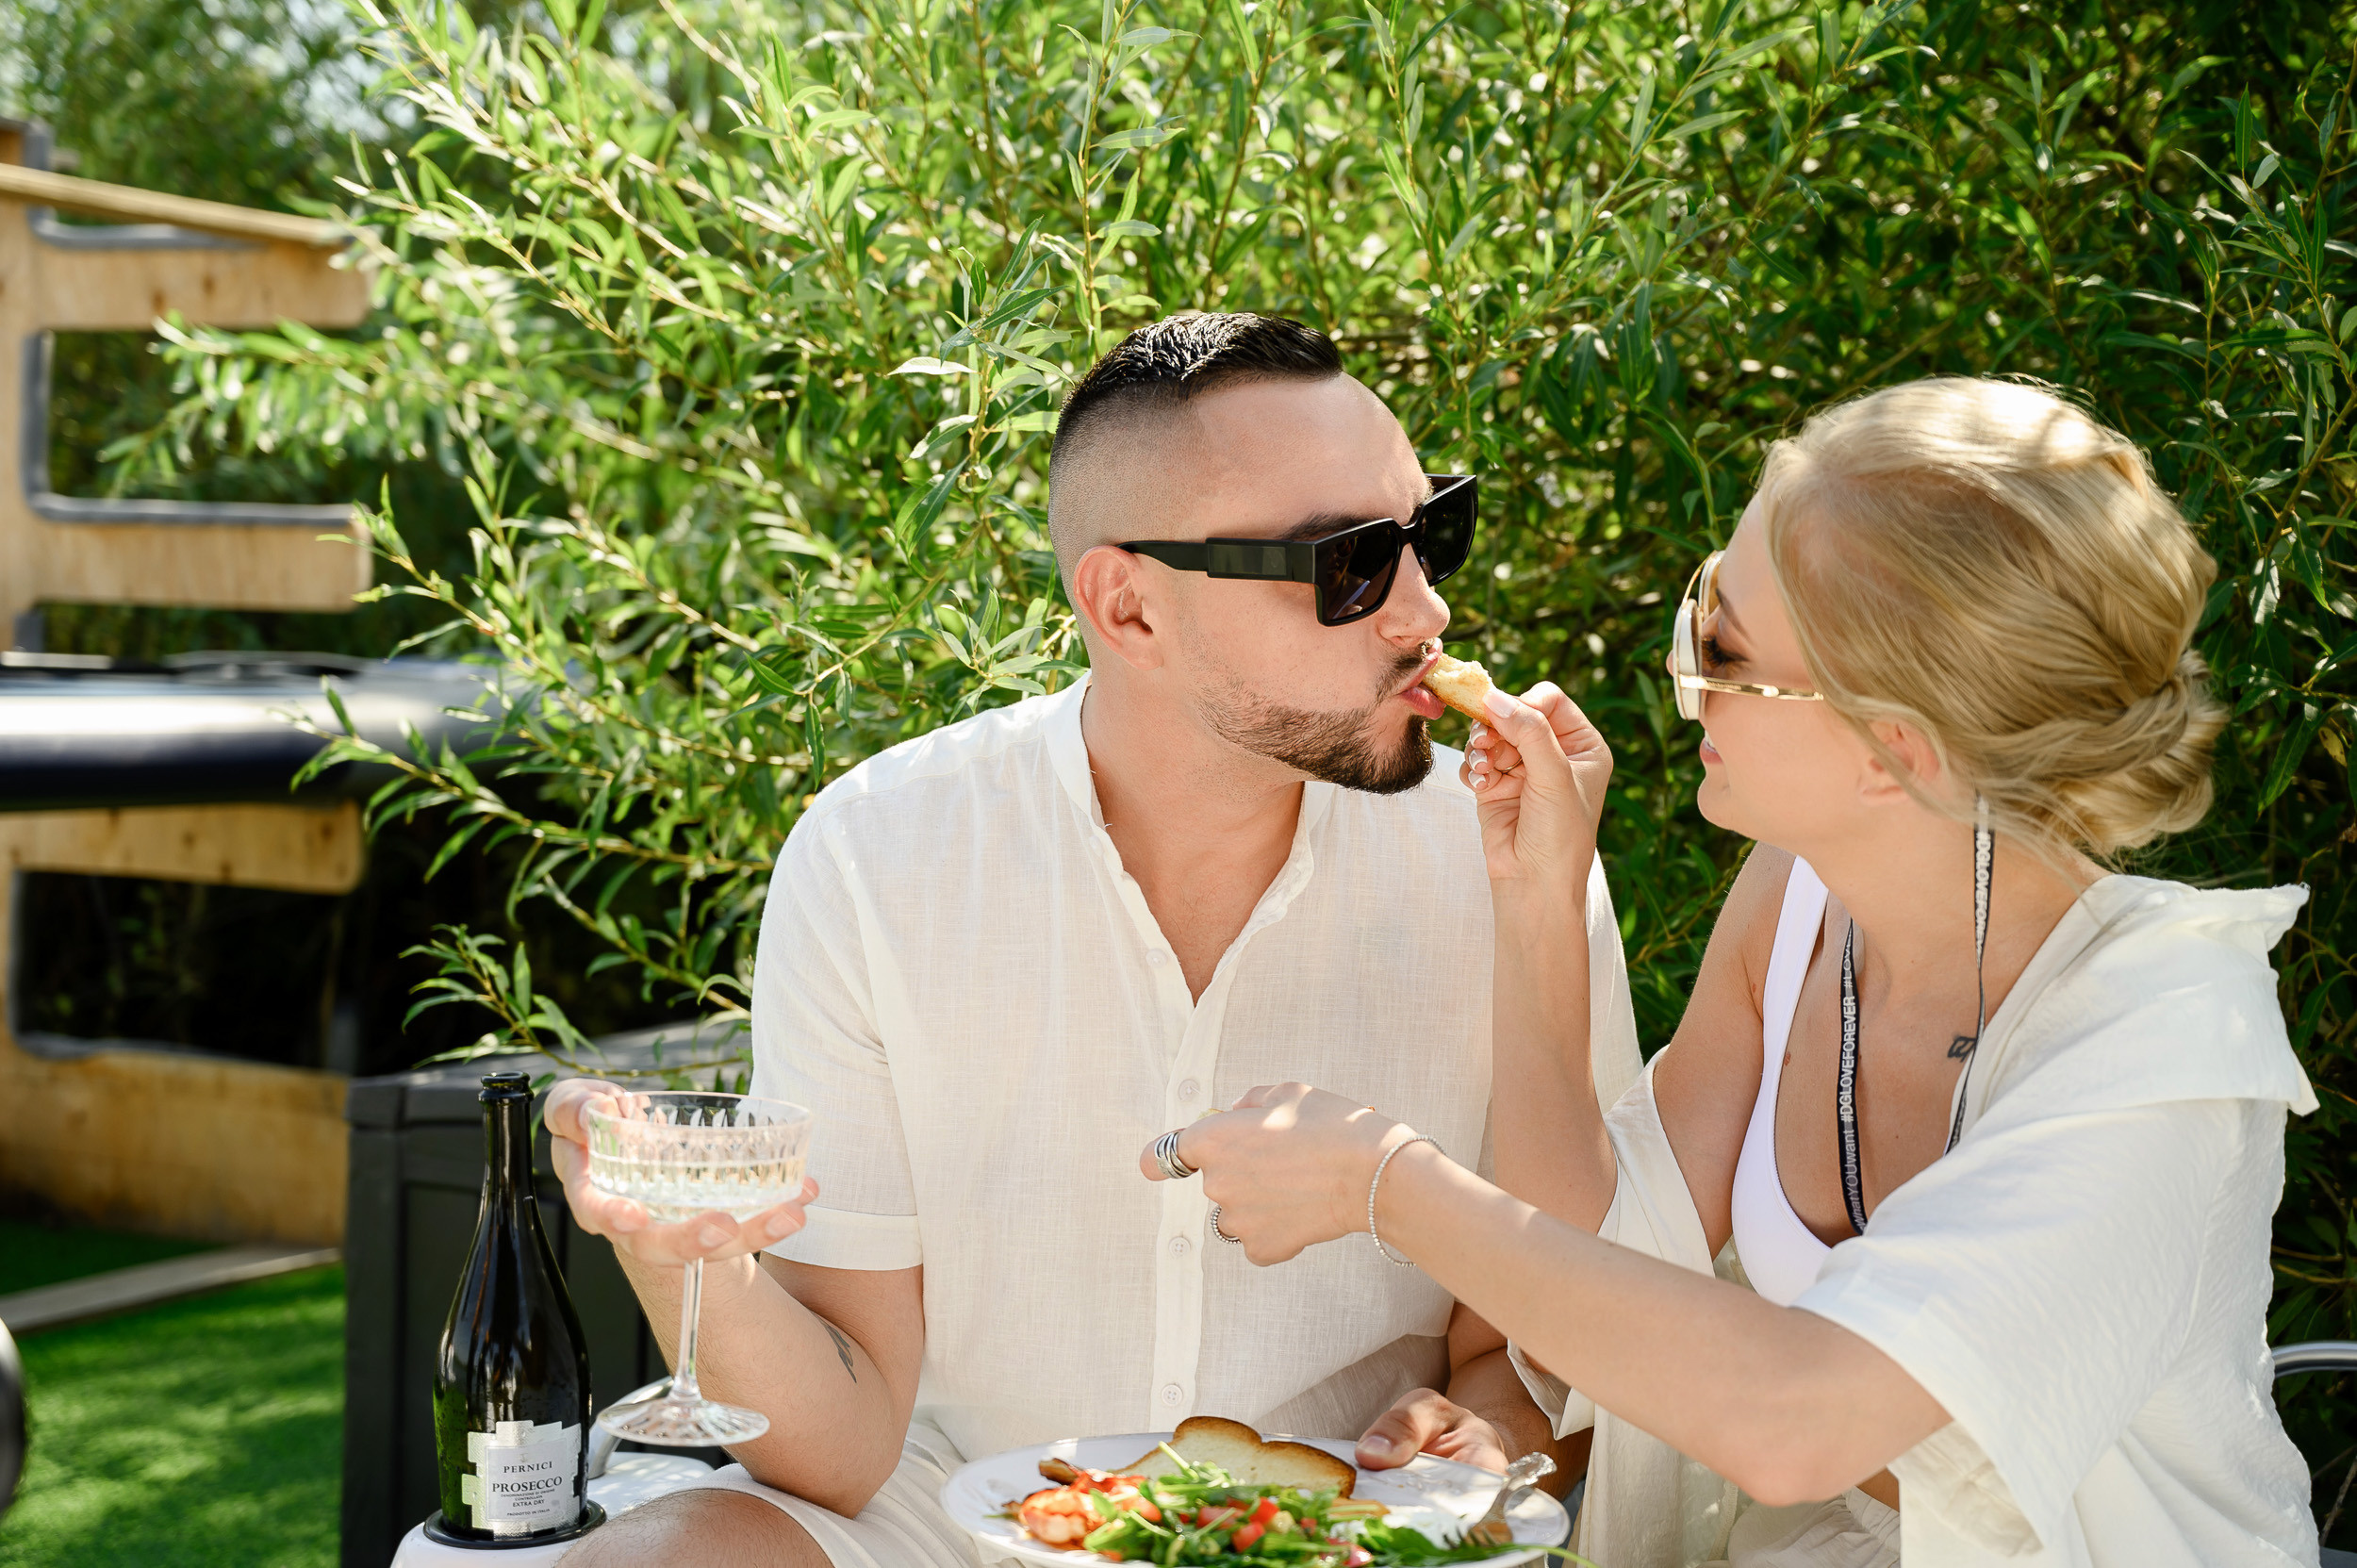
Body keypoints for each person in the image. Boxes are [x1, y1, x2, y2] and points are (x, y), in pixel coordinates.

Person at [1150, 377, 2321, 1567]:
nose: (1685, 668)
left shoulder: (2165, 1042)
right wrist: (1537, 896)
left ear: (1892, 749)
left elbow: (1796, 1421)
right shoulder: (1799, 899)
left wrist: (1387, 1186)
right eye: (1702, 600)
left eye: (1725, 643)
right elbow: (1597, 1251)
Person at [549, 312, 1642, 1567]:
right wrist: (659, 1241)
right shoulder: (877, 856)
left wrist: (1491, 1430)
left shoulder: (1503, 856)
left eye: (1427, 533)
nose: (1424, 608)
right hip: (950, 1516)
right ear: (1128, 606)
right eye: (1349, 562)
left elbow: (1542, 1349)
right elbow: (842, 1443)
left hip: (1330, 1519)